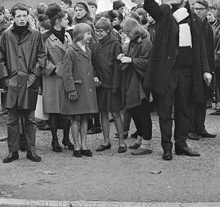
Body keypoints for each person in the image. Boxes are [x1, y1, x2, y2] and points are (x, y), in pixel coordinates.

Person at [144, 0, 212, 160]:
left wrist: (205, 70)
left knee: (184, 110)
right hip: (168, 72)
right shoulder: (164, 13)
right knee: (165, 110)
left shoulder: (195, 21)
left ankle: (181, 144)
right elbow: (149, 4)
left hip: (188, 72)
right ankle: (167, 147)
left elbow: (201, 49)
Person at [0, 2, 46, 163]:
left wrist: (34, 77)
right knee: (12, 119)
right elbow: (0, 59)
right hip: (12, 82)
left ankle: (31, 150)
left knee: (30, 119)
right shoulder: (7, 35)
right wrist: (6, 80)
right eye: (18, 16)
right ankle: (13, 151)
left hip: (29, 81)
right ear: (13, 17)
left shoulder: (35, 34)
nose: (21, 19)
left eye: (24, 16)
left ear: (28, 16)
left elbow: (42, 57)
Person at [61, 23, 99, 157]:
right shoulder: (71, 51)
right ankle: (76, 145)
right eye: (88, 33)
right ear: (80, 34)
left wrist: (94, 77)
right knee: (75, 119)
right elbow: (67, 73)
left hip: (86, 89)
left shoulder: (87, 50)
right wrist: (71, 90)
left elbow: (90, 68)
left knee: (84, 119)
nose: (90, 36)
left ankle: (84, 145)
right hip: (77, 89)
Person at [41, 4, 74, 152]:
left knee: (67, 109)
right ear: (58, 20)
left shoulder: (68, 35)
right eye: (66, 19)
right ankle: (54, 139)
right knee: (53, 110)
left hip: (66, 76)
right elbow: (41, 58)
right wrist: (53, 69)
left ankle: (66, 138)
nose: (68, 21)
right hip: (52, 78)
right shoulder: (45, 37)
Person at [92, 17, 126, 153]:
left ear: (108, 31)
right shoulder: (95, 45)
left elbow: (119, 67)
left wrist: (116, 86)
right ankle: (106, 141)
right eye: (96, 31)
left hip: (112, 85)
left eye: (101, 31)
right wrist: (94, 76)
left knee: (116, 114)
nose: (98, 33)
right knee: (103, 114)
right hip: (100, 85)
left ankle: (122, 142)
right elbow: (92, 63)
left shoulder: (115, 44)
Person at [120, 18, 153, 155]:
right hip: (133, 80)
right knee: (134, 110)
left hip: (141, 82)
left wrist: (131, 60)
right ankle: (140, 139)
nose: (126, 35)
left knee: (142, 112)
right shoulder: (135, 39)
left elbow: (147, 62)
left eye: (127, 32)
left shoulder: (145, 41)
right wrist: (124, 56)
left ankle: (147, 143)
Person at [190, 0, 216, 138]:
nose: (198, 11)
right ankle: (191, 128)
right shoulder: (192, 24)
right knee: (193, 98)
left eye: (200, 9)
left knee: (203, 99)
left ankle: (200, 127)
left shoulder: (208, 27)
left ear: (207, 10)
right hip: (194, 67)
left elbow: (210, 50)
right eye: (195, 9)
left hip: (206, 66)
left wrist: (210, 69)